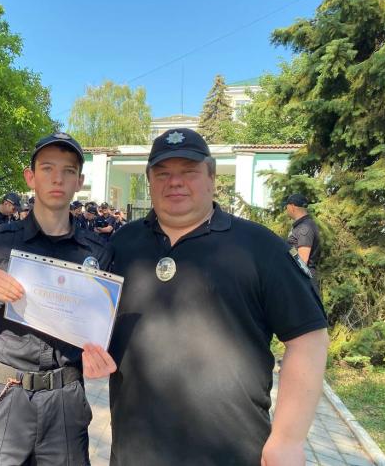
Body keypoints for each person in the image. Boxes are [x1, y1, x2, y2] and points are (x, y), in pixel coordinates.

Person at [108, 128, 329, 466]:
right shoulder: (121, 244)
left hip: (231, 451)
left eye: (189, 172)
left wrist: (288, 440)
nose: (175, 182)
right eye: (163, 173)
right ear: (149, 180)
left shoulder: (259, 247)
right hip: (135, 450)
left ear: (211, 177)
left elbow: (309, 339)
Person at [0, 132, 116, 466]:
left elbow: (104, 327)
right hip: (5, 396)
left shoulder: (97, 252)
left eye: (68, 171)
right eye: (47, 168)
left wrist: (101, 356)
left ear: (80, 182)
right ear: (30, 177)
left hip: (66, 399)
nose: (58, 178)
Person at [285, 194, 322, 296]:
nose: (286, 209)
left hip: (304, 284)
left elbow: (302, 262)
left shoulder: (305, 227)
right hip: (301, 282)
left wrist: (286, 248)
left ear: (292, 206)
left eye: (286, 206)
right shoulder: (301, 226)